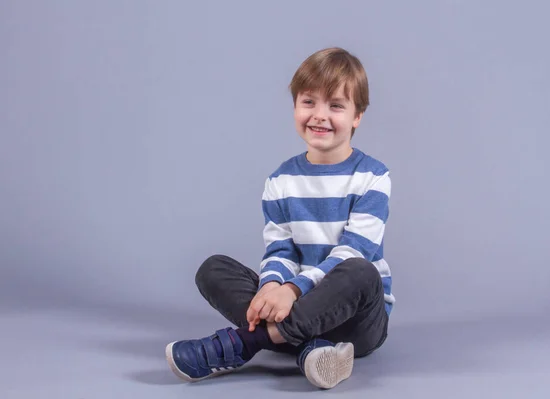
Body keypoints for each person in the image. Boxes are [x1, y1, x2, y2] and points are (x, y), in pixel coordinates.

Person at [165, 47, 394, 390]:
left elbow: (353, 252)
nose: (319, 115)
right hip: (295, 307)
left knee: (361, 270)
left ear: (357, 116)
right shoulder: (280, 181)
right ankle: (312, 349)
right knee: (213, 269)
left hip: (356, 322)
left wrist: (292, 289)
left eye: (335, 105)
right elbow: (281, 251)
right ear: (295, 107)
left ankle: (247, 342)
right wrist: (273, 284)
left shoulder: (373, 176)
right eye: (308, 102)